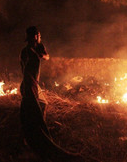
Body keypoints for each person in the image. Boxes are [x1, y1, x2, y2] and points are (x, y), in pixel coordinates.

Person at [19, 26, 84, 162]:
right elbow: (26, 71)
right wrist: (28, 88)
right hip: (29, 85)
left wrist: (42, 55)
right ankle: (36, 138)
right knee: (34, 110)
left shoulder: (37, 48)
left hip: (33, 84)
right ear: (35, 36)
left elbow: (46, 56)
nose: (40, 37)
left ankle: (37, 128)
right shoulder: (27, 52)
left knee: (43, 103)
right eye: (39, 35)